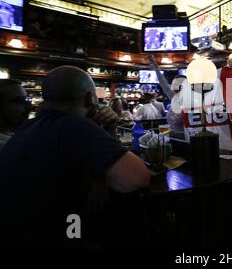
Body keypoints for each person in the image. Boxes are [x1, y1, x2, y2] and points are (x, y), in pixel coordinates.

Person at [0, 66, 150, 248]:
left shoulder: (28, 127)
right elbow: (137, 178)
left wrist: (99, 174)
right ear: (89, 98)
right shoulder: (73, 125)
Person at [149, 55, 187, 135]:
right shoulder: (175, 97)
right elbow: (163, 83)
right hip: (173, 135)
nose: (172, 86)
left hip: (186, 137)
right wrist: (156, 66)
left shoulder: (190, 101)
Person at [0, 79, 30, 151]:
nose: (26, 107)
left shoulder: (13, 136)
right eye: (18, 101)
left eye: (26, 100)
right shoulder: (9, 146)